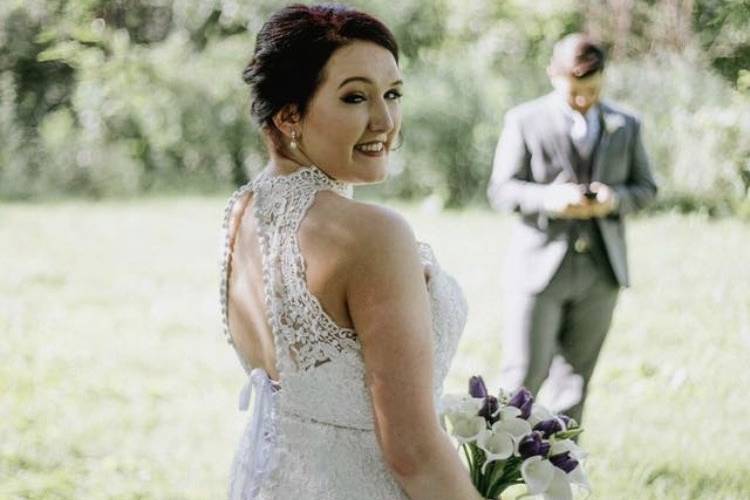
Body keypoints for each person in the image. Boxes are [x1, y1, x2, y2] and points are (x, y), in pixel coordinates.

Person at [219, 5, 482, 499]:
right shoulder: (372, 236)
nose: (385, 120)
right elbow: (413, 452)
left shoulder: (243, 210)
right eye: (356, 97)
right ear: (289, 114)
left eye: (393, 94)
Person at [487, 33, 658, 425]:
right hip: (538, 273)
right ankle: (495, 477)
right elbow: (501, 190)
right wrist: (549, 199)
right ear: (552, 75)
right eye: (574, 92)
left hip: (601, 273)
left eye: (592, 91)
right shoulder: (524, 119)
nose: (583, 100)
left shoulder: (627, 125)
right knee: (522, 379)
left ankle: (555, 479)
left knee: (575, 385)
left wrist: (613, 199)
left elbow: (647, 189)